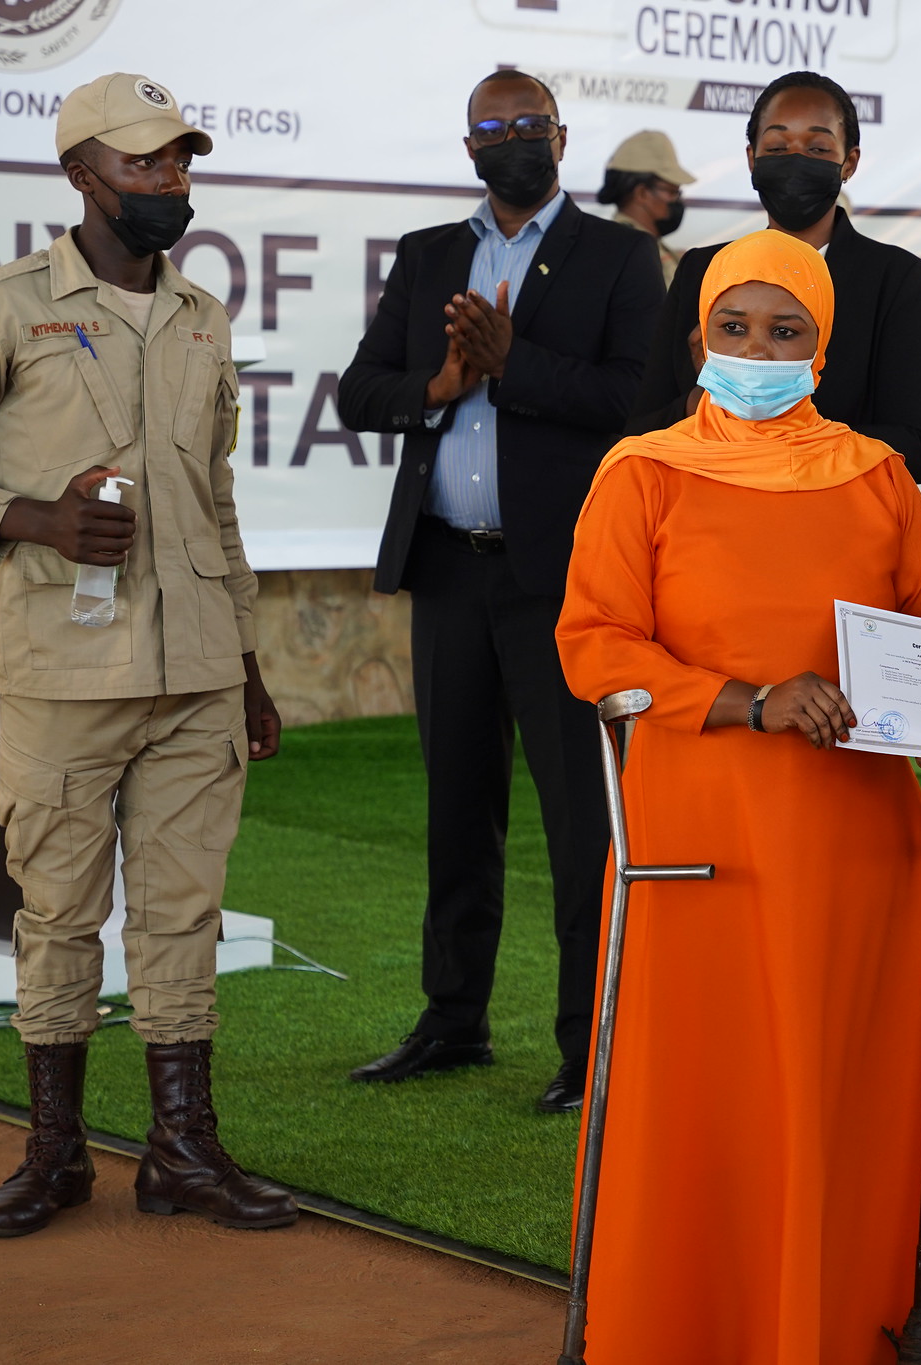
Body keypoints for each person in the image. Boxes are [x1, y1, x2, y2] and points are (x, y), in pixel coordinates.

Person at [0, 72, 295, 1236]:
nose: (170, 182)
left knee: (182, 917)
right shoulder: (2, 309)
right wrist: (34, 519)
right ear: (81, 175)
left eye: (178, 162)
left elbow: (214, 503)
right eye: (145, 164)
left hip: (197, 677)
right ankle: (55, 1155)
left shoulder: (204, 315)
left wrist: (249, 668)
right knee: (57, 917)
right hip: (63, 673)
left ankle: (181, 1154)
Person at [554, 229, 921, 1362]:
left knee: (846, 1097)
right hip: (700, 840)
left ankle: (836, 1331)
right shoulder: (639, 471)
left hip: (858, 847)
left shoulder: (873, 474)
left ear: (820, 346)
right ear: (697, 336)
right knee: (707, 1102)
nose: (755, 348)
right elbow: (593, 647)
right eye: (733, 327)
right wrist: (746, 700)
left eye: (783, 330)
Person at [335, 70, 664, 1113]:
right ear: (467, 145)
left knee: (580, 823)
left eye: (530, 125)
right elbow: (359, 390)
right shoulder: (432, 254)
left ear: (561, 139)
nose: (513, 140)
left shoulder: (617, 256)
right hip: (446, 571)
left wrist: (511, 363)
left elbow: (636, 403)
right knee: (455, 809)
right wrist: (436, 386)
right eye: (494, 128)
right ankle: (453, 1019)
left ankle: (588, 1041)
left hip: (562, 585)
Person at [626, 69, 921, 484]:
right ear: (751, 159)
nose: (796, 161)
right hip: (706, 521)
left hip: (836, 528)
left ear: (849, 162)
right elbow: (641, 431)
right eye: (777, 147)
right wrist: (706, 400)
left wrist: (777, 438)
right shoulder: (701, 271)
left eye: (817, 148)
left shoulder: (896, 279)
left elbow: (918, 448)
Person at [598, 129, 695, 287]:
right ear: (642, 193)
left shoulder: (645, 245)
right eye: (672, 192)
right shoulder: (628, 251)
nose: (677, 200)